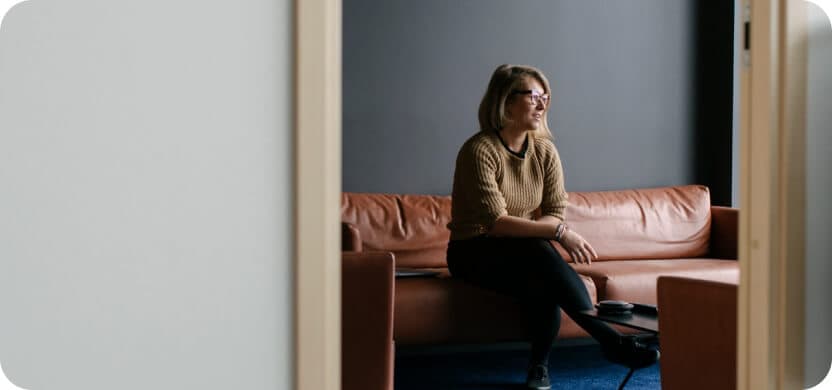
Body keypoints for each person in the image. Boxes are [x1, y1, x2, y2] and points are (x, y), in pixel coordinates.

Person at [445, 64, 659, 390]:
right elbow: (497, 223)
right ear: (505, 102)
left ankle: (539, 369)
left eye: (545, 96)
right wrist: (558, 233)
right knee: (536, 250)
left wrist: (553, 229)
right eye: (533, 96)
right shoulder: (479, 151)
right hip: (473, 251)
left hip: (523, 251)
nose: (543, 104)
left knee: (541, 278)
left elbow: (555, 212)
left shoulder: (544, 150)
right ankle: (612, 343)